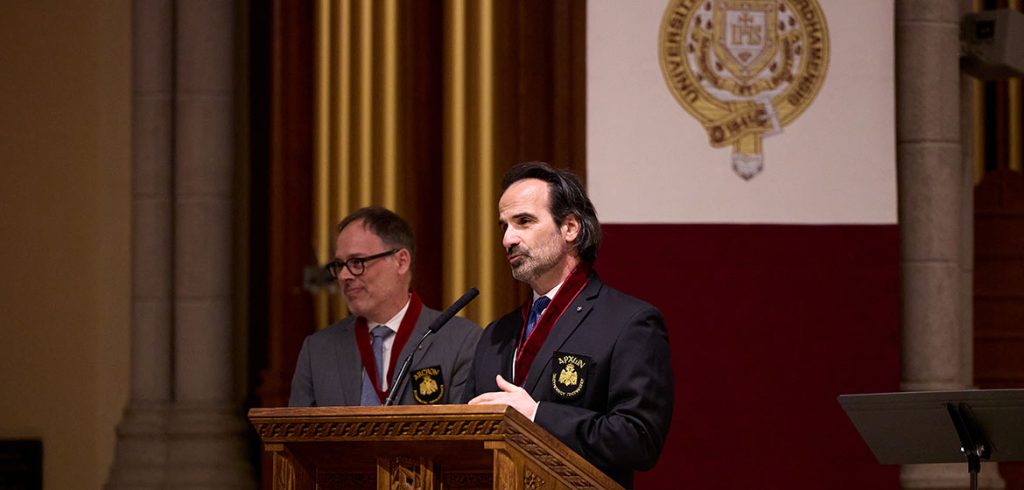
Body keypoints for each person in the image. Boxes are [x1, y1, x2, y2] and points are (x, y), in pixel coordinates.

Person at [466, 162, 673, 488]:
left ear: (571, 228)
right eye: (503, 226)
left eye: (524, 222)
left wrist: (536, 415)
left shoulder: (629, 323)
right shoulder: (496, 334)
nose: (508, 239)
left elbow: (638, 439)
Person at [290, 206, 481, 407]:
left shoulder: (461, 341)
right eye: (339, 265)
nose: (344, 276)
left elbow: (466, 434)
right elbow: (295, 436)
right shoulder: (318, 349)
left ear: (401, 261)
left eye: (357, 262)